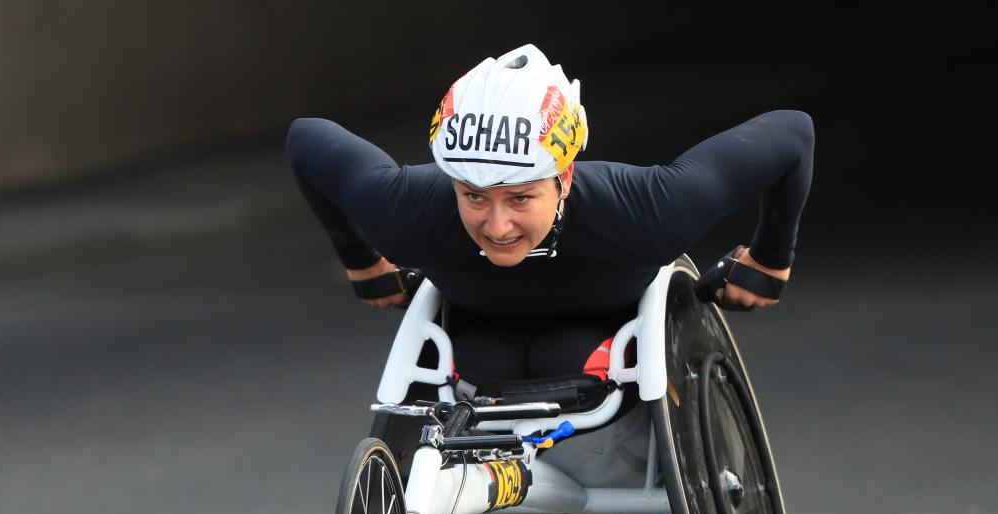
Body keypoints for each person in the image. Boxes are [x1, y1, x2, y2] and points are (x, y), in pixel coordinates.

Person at [285, 43, 814, 389]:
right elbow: (305, 137)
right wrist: (362, 260)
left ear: (564, 179)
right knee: (492, 364)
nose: (496, 226)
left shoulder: (649, 208)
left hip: (606, 336)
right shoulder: (406, 210)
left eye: (519, 198)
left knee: (562, 362)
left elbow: (792, 132)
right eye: (472, 196)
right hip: (481, 337)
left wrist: (772, 257)